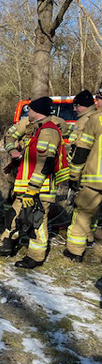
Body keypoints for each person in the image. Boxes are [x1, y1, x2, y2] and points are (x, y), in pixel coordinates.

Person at [0, 97, 68, 269]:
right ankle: (7, 246)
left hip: (38, 190)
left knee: (37, 222)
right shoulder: (38, 128)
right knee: (13, 215)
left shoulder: (48, 131)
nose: (28, 113)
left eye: (31, 110)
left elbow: (45, 163)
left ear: (37, 111)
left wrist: (33, 190)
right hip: (27, 188)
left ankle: (35, 257)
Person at [64, 108, 102, 262]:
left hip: (95, 177)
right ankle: (90, 238)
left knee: (83, 213)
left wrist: (74, 174)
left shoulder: (96, 119)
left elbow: (82, 150)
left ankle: (75, 251)